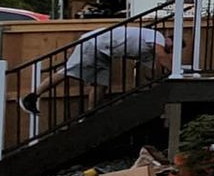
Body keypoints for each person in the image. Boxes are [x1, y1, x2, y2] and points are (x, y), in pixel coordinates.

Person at [19, 24, 172, 115]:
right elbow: (162, 57)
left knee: (101, 84)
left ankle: (90, 113)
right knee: (68, 71)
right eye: (171, 46)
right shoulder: (156, 35)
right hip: (94, 43)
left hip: (104, 51)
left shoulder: (149, 51)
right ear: (168, 38)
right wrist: (175, 71)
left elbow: (153, 69)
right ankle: (31, 97)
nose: (169, 49)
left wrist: (161, 79)